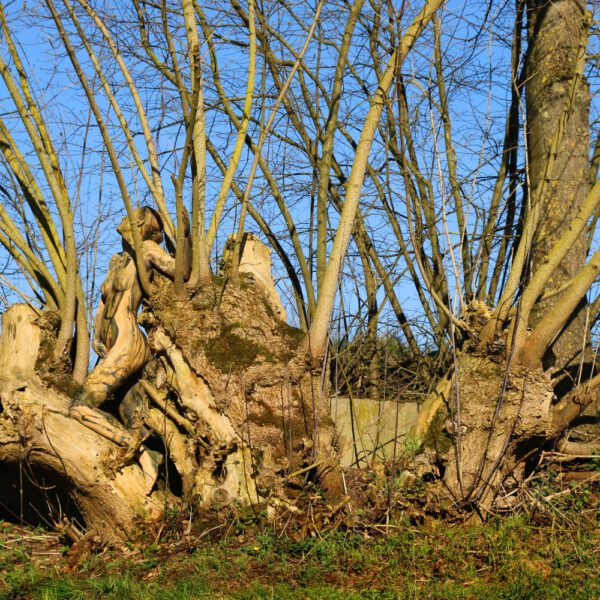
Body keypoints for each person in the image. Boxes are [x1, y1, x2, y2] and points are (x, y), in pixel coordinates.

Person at [70, 206, 183, 492]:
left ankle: (137, 451)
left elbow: (178, 269)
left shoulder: (145, 249)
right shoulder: (117, 260)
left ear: (142, 224)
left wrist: (184, 235)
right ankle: (156, 464)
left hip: (128, 341)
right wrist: (96, 335)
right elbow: (103, 302)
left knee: (79, 408)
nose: (124, 216)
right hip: (110, 345)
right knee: (131, 414)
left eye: (134, 214)